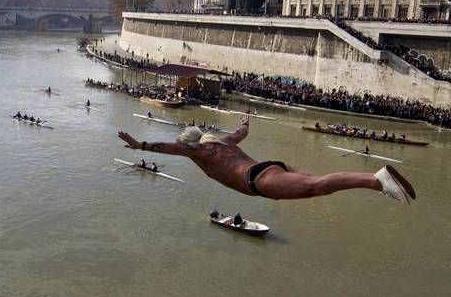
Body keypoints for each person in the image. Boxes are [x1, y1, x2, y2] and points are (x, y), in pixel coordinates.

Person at [118, 115, 416, 205]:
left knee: (318, 187)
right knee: (315, 183)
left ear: (188, 144)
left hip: (259, 180)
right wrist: (246, 122)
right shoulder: (222, 141)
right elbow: (241, 132)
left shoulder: (199, 152)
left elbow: (166, 147)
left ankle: (376, 181)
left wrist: (138, 144)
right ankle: (377, 181)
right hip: (270, 166)